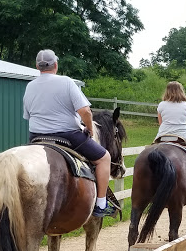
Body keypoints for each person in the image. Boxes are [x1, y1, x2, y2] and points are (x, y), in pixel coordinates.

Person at [23, 49, 116, 217]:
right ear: (56, 65)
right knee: (104, 158)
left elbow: (27, 115)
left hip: (36, 137)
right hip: (67, 135)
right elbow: (85, 112)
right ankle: (101, 204)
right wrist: (88, 127)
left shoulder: (30, 86)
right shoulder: (66, 82)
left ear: (37, 66)